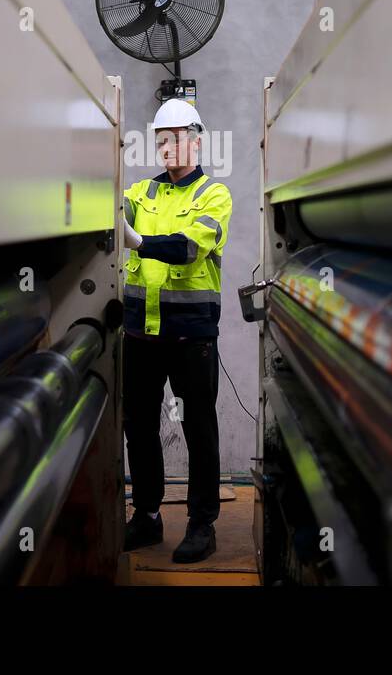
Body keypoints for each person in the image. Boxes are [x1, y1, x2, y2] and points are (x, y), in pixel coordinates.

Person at [118, 98, 231, 564]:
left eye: (179, 138)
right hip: (141, 336)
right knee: (139, 426)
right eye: (162, 140)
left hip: (191, 338)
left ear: (197, 140)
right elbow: (101, 208)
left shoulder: (213, 195)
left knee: (198, 428)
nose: (170, 147)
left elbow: (189, 248)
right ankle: (147, 517)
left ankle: (202, 525)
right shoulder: (140, 192)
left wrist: (139, 241)